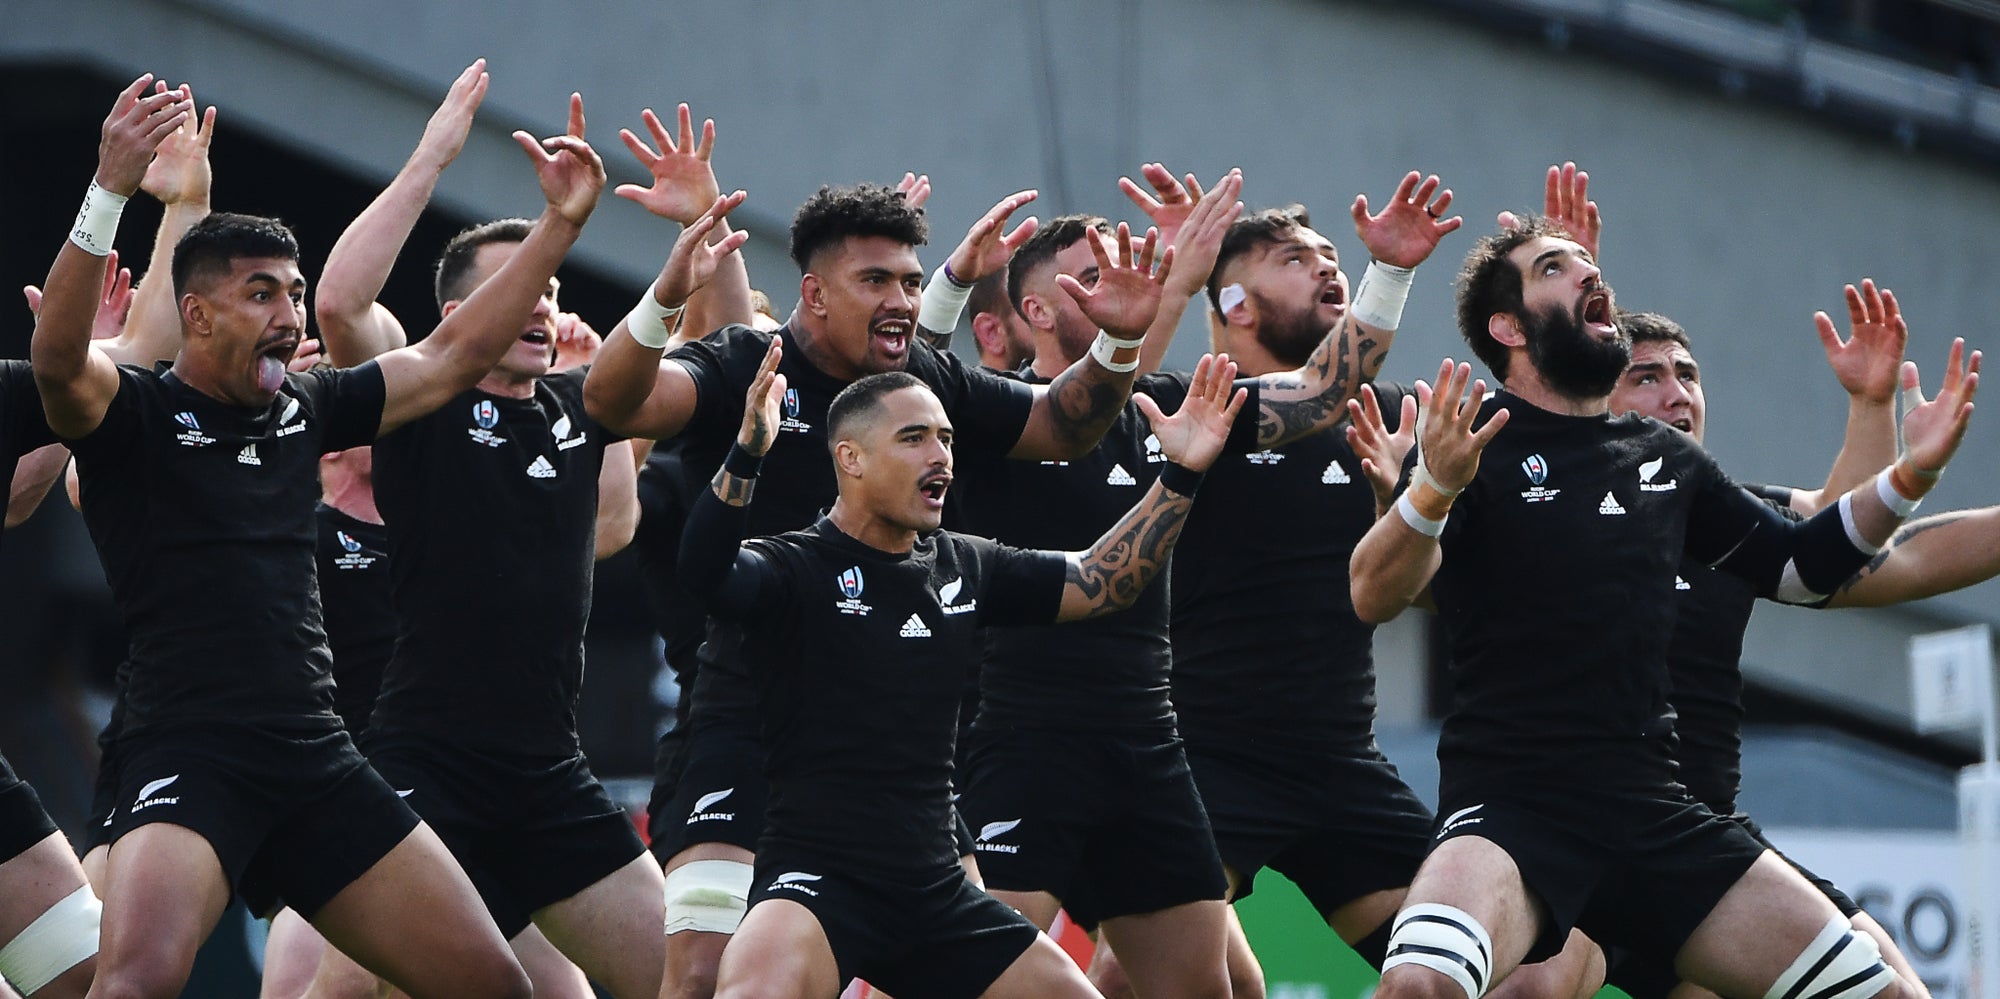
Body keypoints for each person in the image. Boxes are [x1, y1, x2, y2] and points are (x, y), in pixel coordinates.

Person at [31, 72, 611, 999]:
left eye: (294, 294)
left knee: (498, 985)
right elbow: (60, 362)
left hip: (314, 753)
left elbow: (452, 354)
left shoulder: (307, 407)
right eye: (262, 294)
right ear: (197, 315)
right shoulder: (135, 414)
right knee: (132, 981)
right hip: (189, 747)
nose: (290, 316)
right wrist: (109, 188)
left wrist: (559, 228)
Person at [1347, 207, 1978, 999]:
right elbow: (1373, 591)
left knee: (1887, 993)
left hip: (1656, 811)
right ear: (1507, 328)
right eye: (1552, 267)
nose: (1586, 269)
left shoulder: (1667, 461)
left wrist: (1911, 476)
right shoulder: (1469, 443)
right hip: (1514, 811)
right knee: (1417, 986)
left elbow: (1801, 566)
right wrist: (1432, 487)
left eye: (1585, 261)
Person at [582, 161, 1152, 999]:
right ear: (813, 294)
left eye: (912, 282)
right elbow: (612, 402)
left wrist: (1119, 344)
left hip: (896, 751)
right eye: (875, 280)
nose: (902, 300)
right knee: (703, 975)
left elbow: (1060, 426)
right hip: (746, 726)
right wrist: (667, 297)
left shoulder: (924, 382)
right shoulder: (745, 364)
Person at [951, 165, 1456, 999]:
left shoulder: (1185, 411)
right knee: (964, 968)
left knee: (1240, 987)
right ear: (1033, 311)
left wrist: (1390, 273)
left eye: (1127, 265)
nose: (1119, 279)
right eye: (1092, 274)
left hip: (1205, 752)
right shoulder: (1000, 414)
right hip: (1064, 743)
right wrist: (946, 286)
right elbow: (905, 389)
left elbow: (1324, 387)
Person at [684, 339, 1246, 999]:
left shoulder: (964, 563)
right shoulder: (792, 566)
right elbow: (705, 572)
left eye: (947, 439)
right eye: (915, 438)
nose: (941, 456)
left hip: (936, 892)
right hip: (818, 884)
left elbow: (1103, 581)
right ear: (851, 458)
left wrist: (1180, 475)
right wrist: (747, 452)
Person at [306, 70, 657, 999]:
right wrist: (432, 157)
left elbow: (613, 527)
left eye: (551, 287)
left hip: (548, 768)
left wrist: (599, 407)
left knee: (689, 979)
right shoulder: (418, 395)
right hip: (427, 760)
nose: (542, 303)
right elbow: (339, 306)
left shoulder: (573, 407)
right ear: (460, 316)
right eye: (521, 285)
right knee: (353, 990)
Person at [1601, 304, 1995, 999]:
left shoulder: (1731, 524)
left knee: (1900, 992)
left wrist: (1870, 406)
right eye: (1647, 376)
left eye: (1688, 374)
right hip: (1584, 839)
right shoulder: (1552, 506)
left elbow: (1854, 545)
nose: (1678, 393)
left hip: (1706, 848)